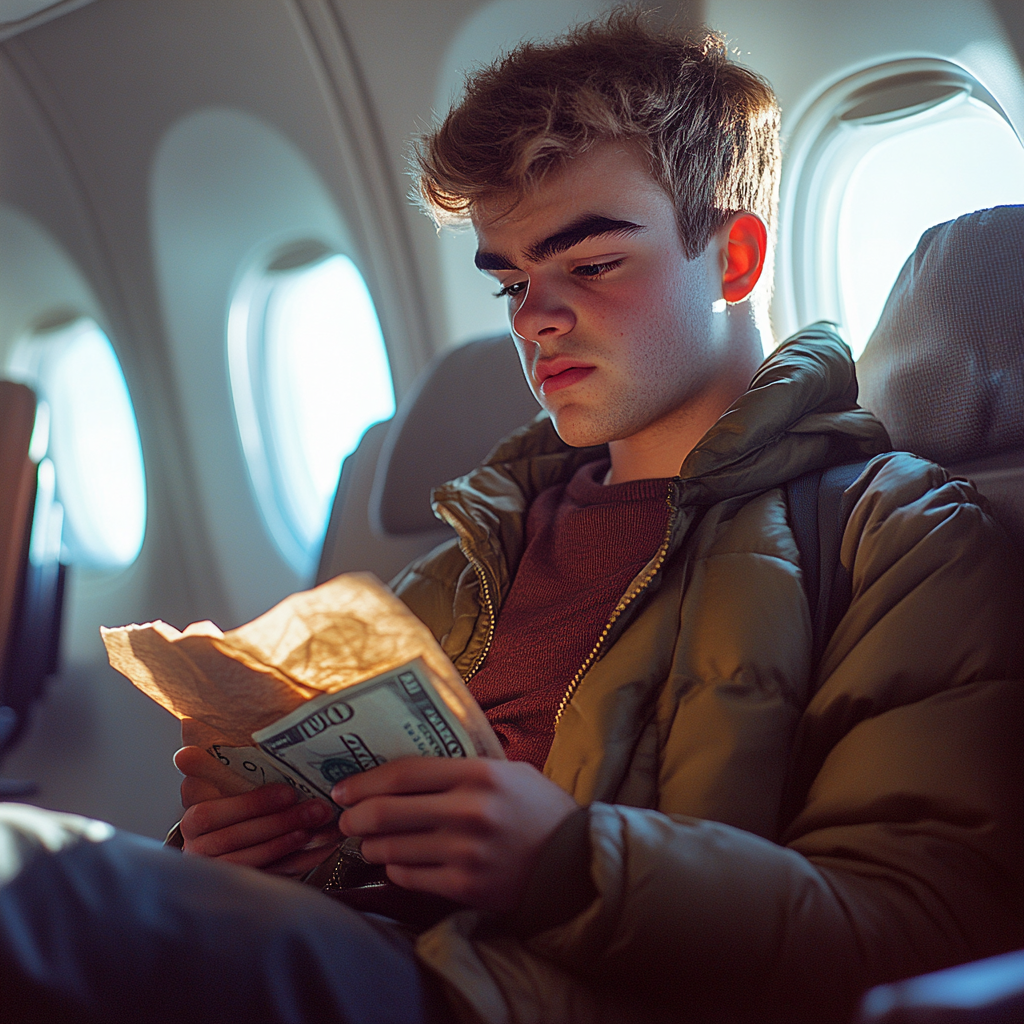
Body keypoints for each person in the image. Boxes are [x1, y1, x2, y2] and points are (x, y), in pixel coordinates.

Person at [2, 12, 1021, 1024]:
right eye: (512, 280)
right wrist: (244, 854)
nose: (535, 317)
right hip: (363, 955)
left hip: (520, 994)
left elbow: (928, 927)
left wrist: (568, 866)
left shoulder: (889, 537)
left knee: (30, 886)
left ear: (738, 259)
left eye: (591, 262)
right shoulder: (459, 565)